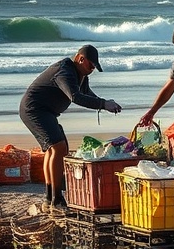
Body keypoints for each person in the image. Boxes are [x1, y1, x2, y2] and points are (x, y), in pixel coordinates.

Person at [19, 44, 122, 209]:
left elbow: (87, 94)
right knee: (58, 148)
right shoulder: (64, 72)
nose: (92, 69)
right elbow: (74, 97)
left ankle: (49, 197)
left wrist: (106, 103)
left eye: (95, 67)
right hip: (34, 110)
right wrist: (103, 104)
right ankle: (57, 199)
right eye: (91, 65)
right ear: (81, 59)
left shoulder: (81, 75)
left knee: (56, 150)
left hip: (47, 112)